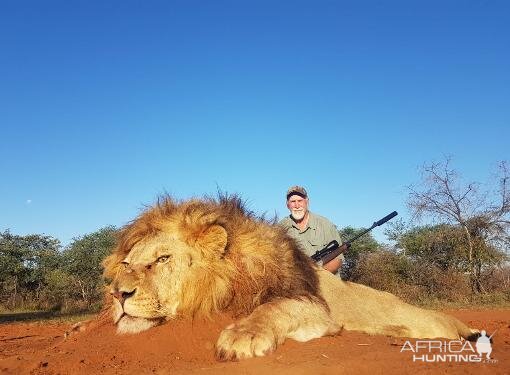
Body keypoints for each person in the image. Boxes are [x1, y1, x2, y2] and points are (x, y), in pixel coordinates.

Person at [279, 185, 344, 274]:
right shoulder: (281, 227)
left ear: (307, 202)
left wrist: (315, 276)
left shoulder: (324, 223)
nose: (297, 205)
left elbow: (338, 260)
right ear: (287, 205)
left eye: (300, 201)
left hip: (325, 280)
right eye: (293, 201)